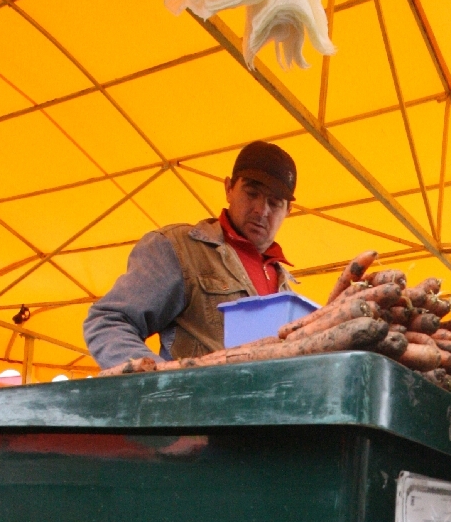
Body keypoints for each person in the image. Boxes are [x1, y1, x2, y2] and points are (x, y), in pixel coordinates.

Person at [84, 141, 298, 369]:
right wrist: (163, 380)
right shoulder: (179, 249)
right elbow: (108, 320)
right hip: (193, 393)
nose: (261, 210)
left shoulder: (288, 292)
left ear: (288, 211)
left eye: (274, 203)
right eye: (252, 193)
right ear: (228, 188)